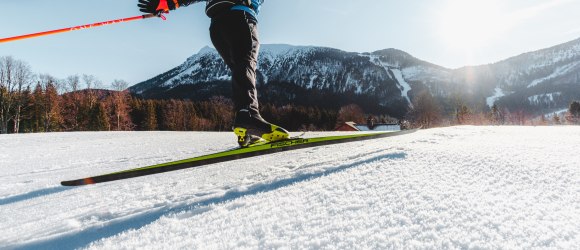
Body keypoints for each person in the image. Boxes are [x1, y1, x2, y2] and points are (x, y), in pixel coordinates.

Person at [138, 0, 289, 147]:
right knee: (245, 65)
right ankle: (248, 116)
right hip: (240, 17)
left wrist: (168, 3)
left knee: (240, 69)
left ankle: (246, 127)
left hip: (217, 26)